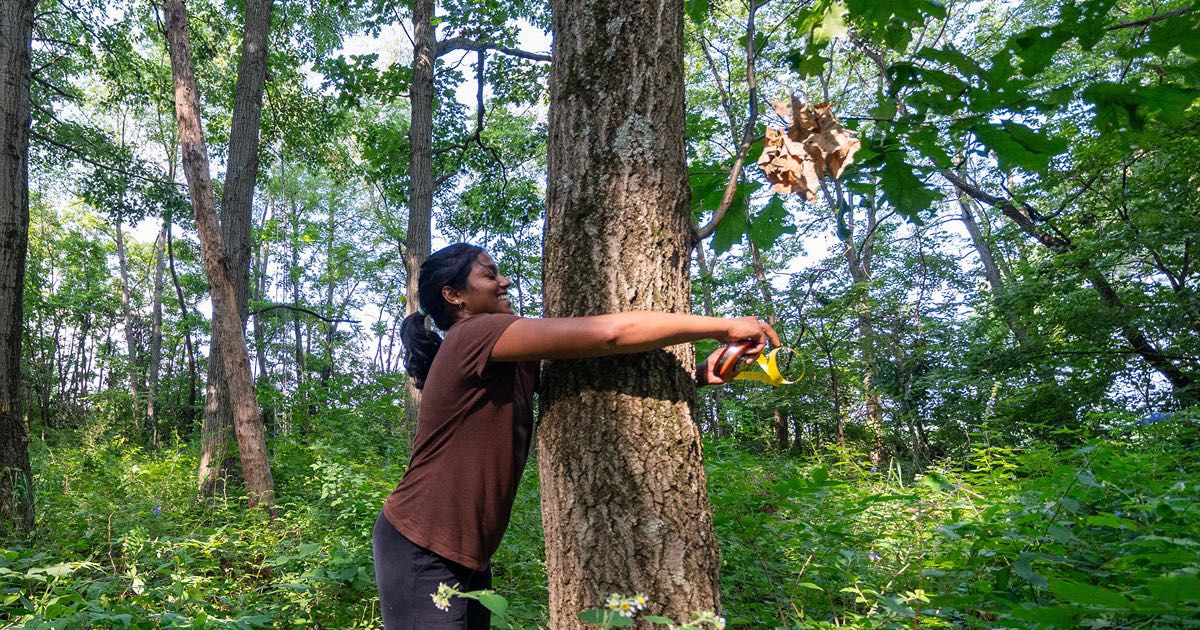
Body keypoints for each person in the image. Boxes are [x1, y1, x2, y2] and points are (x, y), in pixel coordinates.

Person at [373, 243, 779, 629]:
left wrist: (692, 376)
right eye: (489, 275)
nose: (505, 283)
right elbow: (609, 334)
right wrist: (722, 326)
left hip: (462, 548)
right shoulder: (474, 334)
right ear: (454, 295)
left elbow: (585, 382)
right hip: (422, 543)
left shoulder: (503, 355)